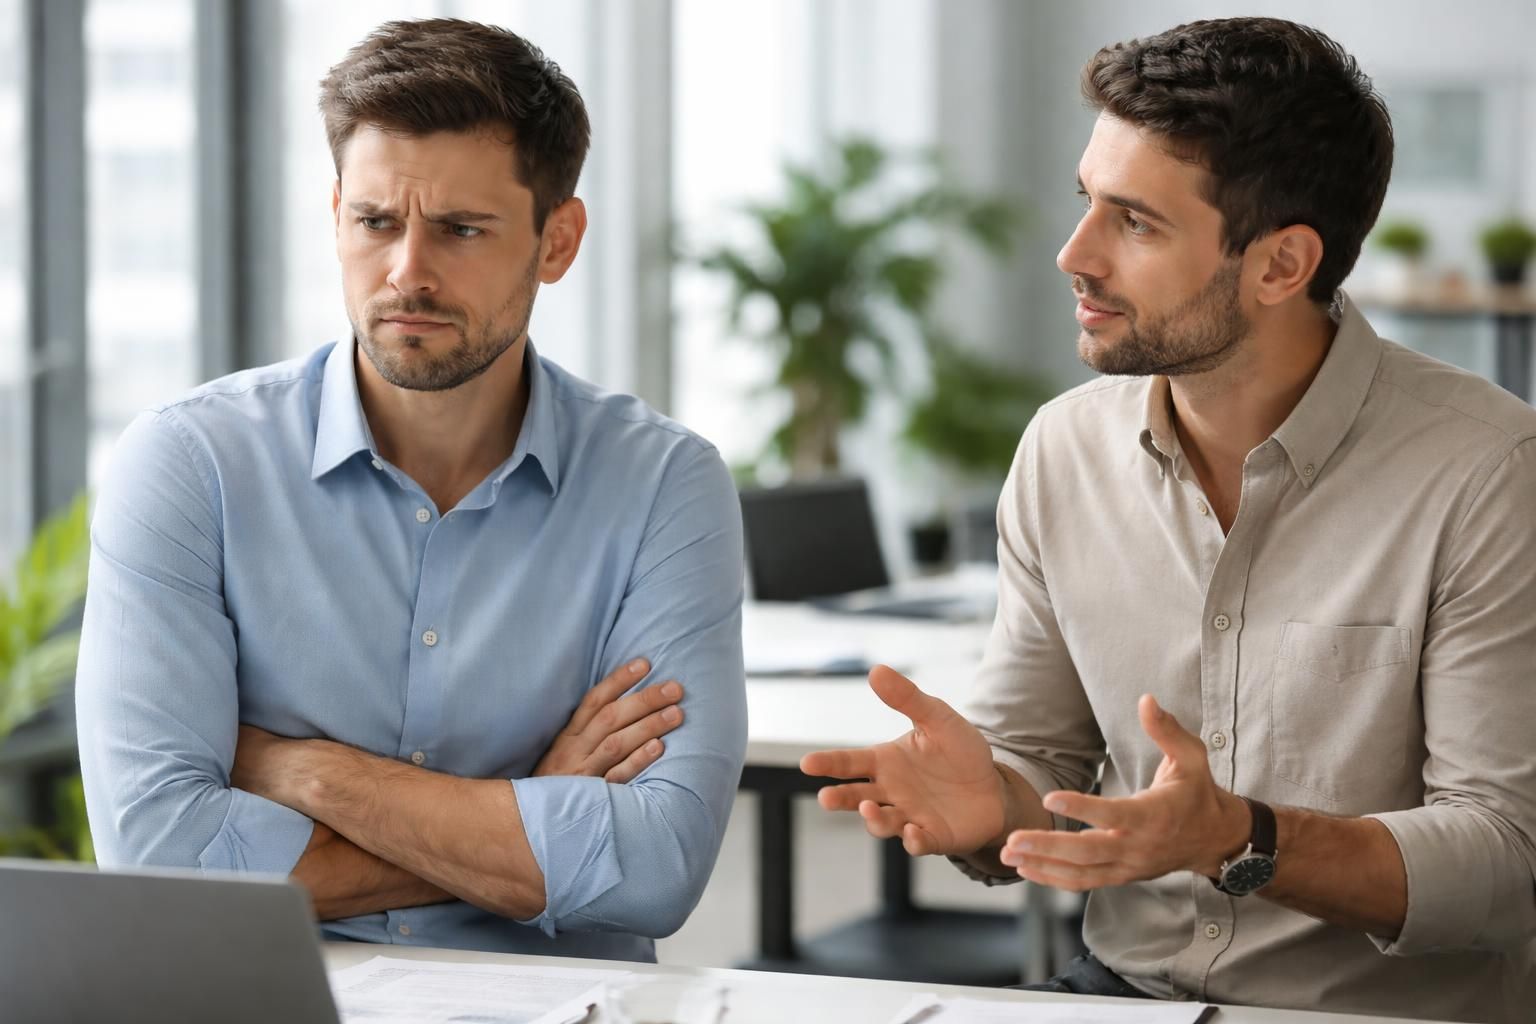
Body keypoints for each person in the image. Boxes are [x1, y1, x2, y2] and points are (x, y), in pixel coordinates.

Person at [803, 17, 1535, 1022]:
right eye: (1085, 203)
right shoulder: (1062, 450)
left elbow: (1509, 860)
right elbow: (1038, 765)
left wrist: (1243, 837)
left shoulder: (1488, 470)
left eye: (1134, 222)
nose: (1074, 254)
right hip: (1124, 993)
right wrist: (992, 806)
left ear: (1281, 265)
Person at [76, 18, 746, 963]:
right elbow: (158, 859)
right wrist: (526, 815)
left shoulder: (662, 484)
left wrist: (310, 773)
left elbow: (658, 868)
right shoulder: (191, 465)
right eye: (376, 222)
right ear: (337, 213)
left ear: (558, 241)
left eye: (461, 230)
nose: (407, 274)